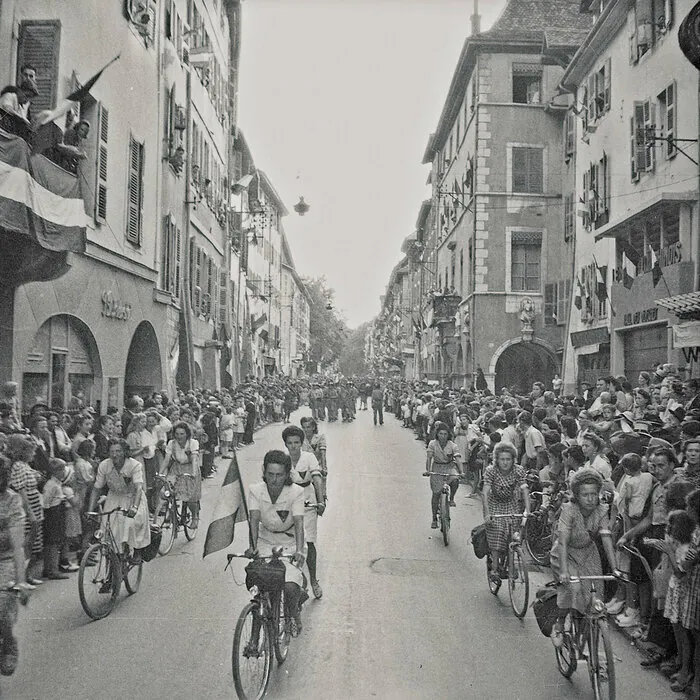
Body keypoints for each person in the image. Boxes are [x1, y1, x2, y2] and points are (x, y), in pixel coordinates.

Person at [549, 468, 621, 647]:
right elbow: (563, 542)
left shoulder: (602, 510)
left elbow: (606, 538)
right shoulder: (569, 510)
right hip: (566, 554)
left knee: (595, 598)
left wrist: (615, 569)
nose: (590, 499)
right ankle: (558, 625)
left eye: (594, 494)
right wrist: (564, 571)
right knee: (573, 589)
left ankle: (585, 642)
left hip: (588, 553)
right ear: (576, 495)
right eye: (585, 495)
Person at [247, 450, 307, 635]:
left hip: (289, 543)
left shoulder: (296, 492)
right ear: (264, 472)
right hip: (265, 541)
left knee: (288, 586)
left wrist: (299, 550)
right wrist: (253, 547)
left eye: (279, 475)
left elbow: (298, 522)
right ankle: (256, 631)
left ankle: (293, 613)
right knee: (256, 582)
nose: (274, 480)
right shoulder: (255, 490)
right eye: (270, 474)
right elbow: (254, 520)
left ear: (287, 474)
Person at [87, 439, 151, 560]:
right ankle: (114, 559)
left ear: (124, 452)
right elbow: (96, 488)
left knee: (133, 522)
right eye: (112, 451)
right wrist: (90, 510)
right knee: (108, 526)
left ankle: (137, 550)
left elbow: (138, 488)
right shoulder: (104, 465)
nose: (115, 454)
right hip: (114, 497)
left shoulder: (134, 465)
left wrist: (135, 507)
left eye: (118, 451)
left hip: (132, 497)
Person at [283, 425, 325, 600]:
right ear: (285, 444)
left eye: (297, 442)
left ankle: (314, 580)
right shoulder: (283, 460)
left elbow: (316, 478)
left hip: (308, 502)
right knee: (291, 543)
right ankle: (297, 580)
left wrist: (321, 499)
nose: (293, 446)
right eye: (290, 443)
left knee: (309, 541)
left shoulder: (309, 458)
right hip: (289, 503)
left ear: (301, 443)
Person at [0, 453, 31, 676]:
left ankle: (8, 641)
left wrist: (21, 582)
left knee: (2, 605)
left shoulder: (11, 500)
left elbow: (17, 545)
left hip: (5, 558)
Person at [482, 442, 529, 583]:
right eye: (502, 459)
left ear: (513, 459)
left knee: (513, 531)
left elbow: (525, 490)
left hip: (511, 503)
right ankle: (495, 568)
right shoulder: (491, 470)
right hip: (494, 504)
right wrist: (487, 513)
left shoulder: (518, 470)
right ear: (497, 459)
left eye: (508, 459)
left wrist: (528, 511)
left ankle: (511, 563)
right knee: (497, 530)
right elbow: (485, 493)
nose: (505, 462)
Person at [6, 434, 43, 586]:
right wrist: (30, 513)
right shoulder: (19, 466)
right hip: (28, 510)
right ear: (23, 451)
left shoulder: (25, 465)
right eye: (31, 451)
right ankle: (19, 578)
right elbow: (22, 491)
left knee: (32, 546)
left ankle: (27, 575)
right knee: (25, 546)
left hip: (35, 507)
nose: (34, 454)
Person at [159, 422, 201, 529]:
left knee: (190, 497)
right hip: (176, 468)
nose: (179, 436)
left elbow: (195, 459)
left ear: (187, 434)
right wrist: (160, 473)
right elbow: (167, 460)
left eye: (182, 434)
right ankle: (171, 513)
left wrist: (194, 473)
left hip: (190, 468)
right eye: (177, 434)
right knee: (168, 491)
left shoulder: (193, 443)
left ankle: (195, 517)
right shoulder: (171, 444)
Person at [426, 422, 463, 528]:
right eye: (441, 434)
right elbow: (429, 458)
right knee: (436, 494)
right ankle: (434, 518)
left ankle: (451, 498)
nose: (443, 436)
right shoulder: (432, 444)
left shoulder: (452, 445)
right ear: (437, 434)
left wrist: (461, 471)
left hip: (449, 467)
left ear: (448, 435)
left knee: (455, 480)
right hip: (437, 467)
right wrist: (428, 470)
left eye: (445, 434)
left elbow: (458, 459)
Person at [300, 417, 327, 500]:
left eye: (308, 427)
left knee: (320, 492)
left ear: (313, 427)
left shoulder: (320, 438)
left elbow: (323, 454)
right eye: (303, 427)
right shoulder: (300, 439)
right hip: (305, 469)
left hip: (318, 467)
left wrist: (324, 468)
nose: (306, 429)